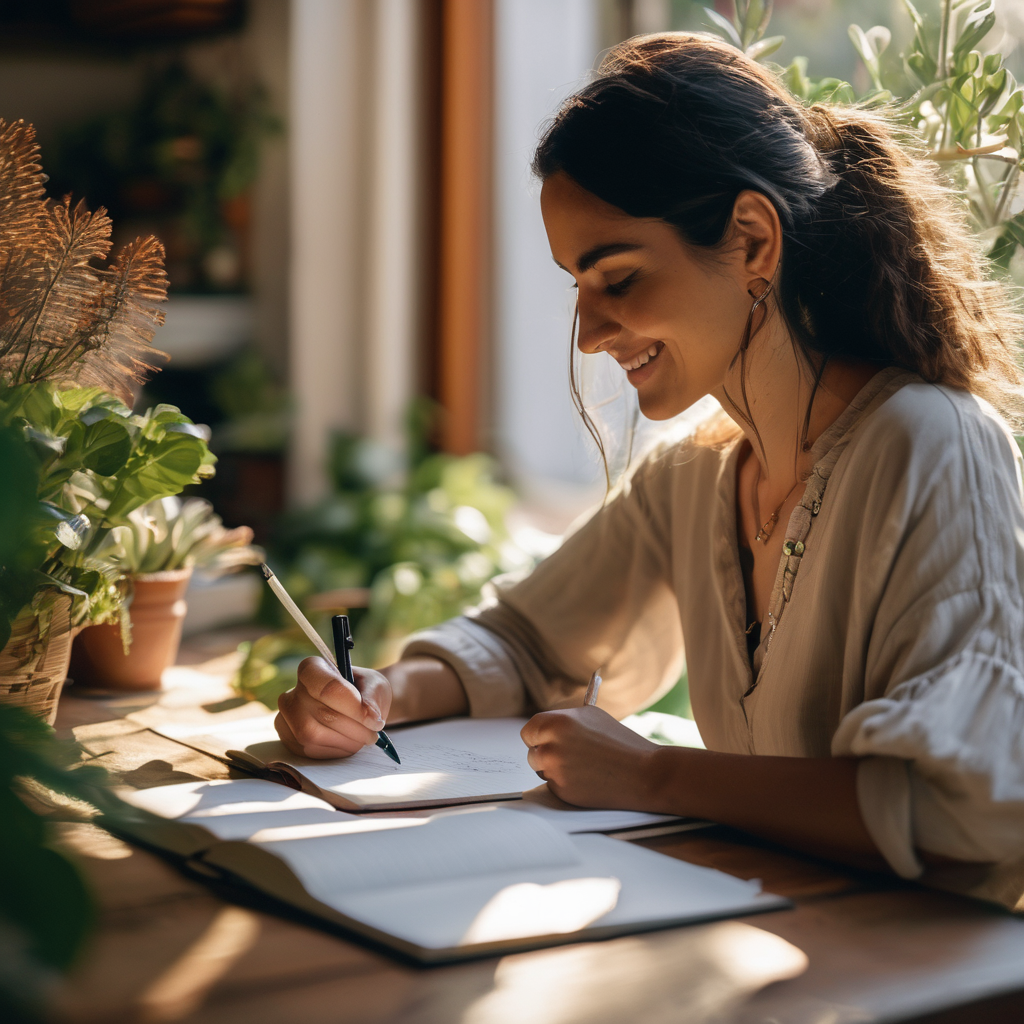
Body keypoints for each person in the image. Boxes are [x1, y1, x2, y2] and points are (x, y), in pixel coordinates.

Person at [275, 33, 1024, 905]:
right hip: (771, 948)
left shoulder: (931, 444)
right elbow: (523, 644)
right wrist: (379, 698)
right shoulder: (696, 477)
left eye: (618, 278)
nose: (589, 333)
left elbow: (961, 812)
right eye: (576, 288)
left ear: (752, 240)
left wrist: (657, 776)